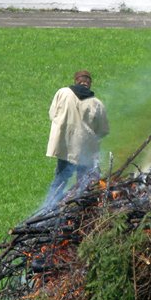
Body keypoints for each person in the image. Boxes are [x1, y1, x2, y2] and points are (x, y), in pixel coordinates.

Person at [44, 70, 109, 208]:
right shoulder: (97, 103)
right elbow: (103, 131)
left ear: (76, 81)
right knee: (85, 182)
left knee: (60, 179)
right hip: (85, 150)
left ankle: (48, 208)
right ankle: (81, 209)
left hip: (65, 147)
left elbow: (52, 114)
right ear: (89, 83)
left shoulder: (63, 93)